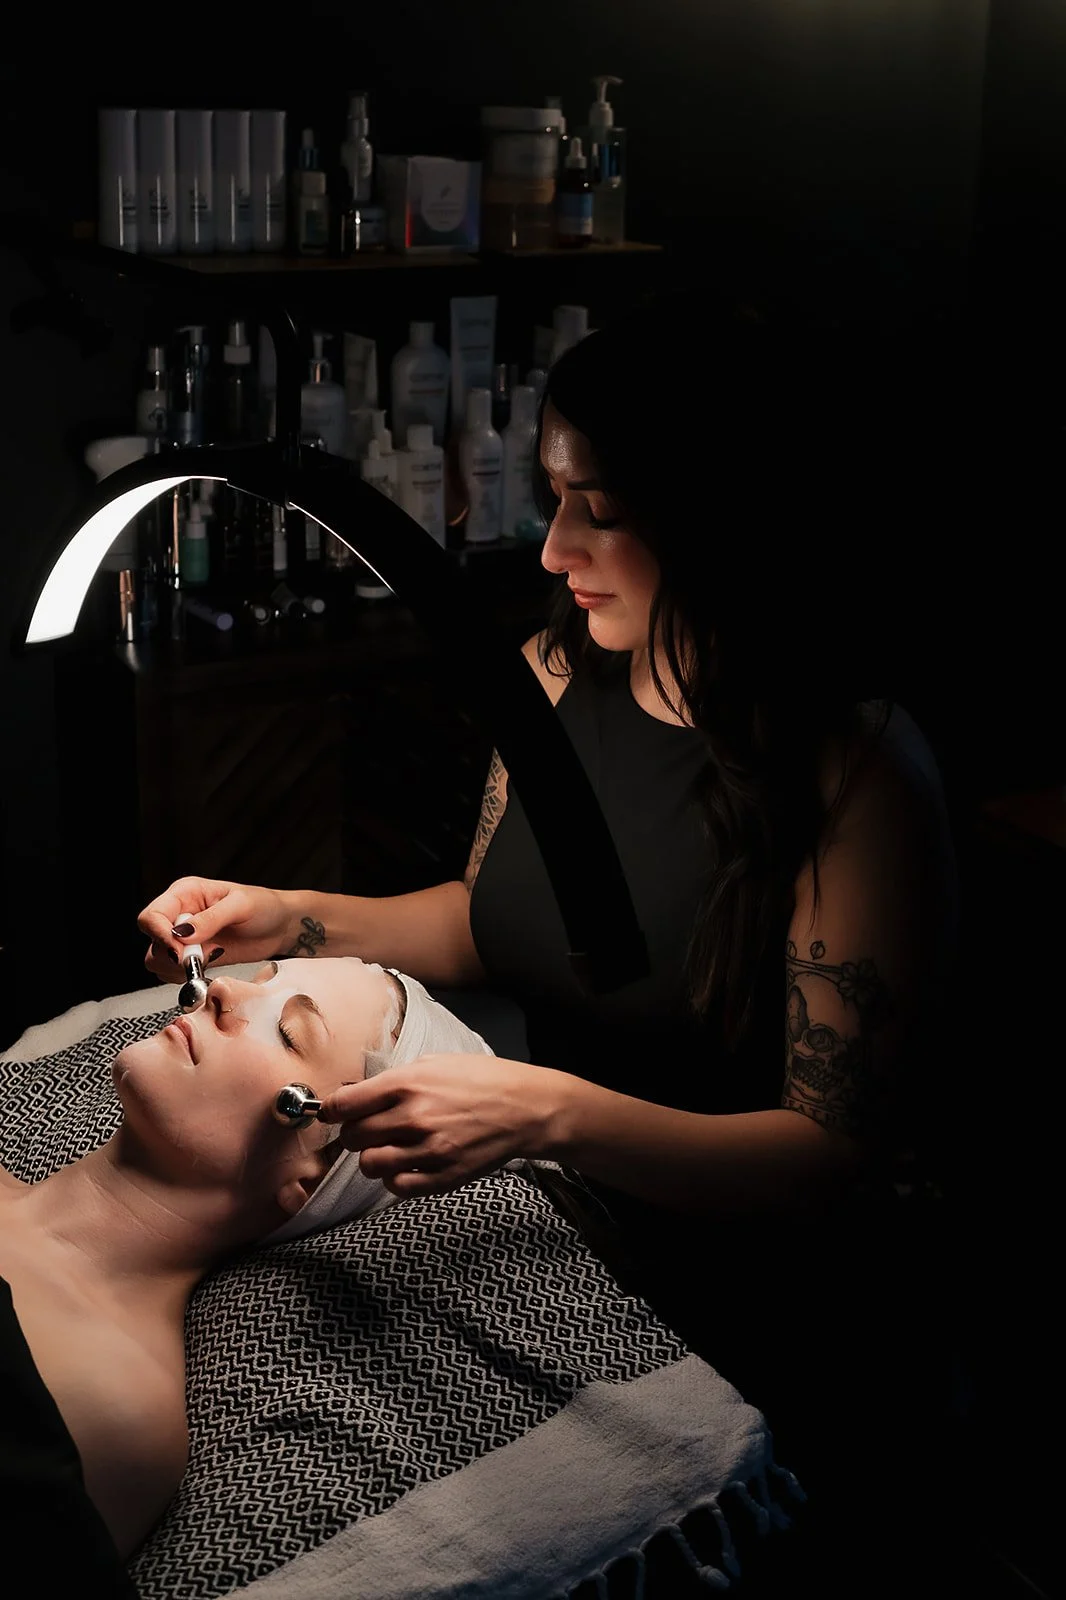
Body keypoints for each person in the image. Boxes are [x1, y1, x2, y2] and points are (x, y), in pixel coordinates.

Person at [139, 294, 961, 1589]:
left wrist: (544, 1114)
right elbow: (486, 919)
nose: (552, 546)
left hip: (759, 1296)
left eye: (600, 510)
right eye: (552, 497)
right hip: (568, 1223)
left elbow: (823, 1160)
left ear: (715, 519)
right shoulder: (554, 674)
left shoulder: (852, 772)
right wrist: (287, 914)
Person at [0, 956, 490, 1574]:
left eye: (291, 1034)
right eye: (259, 982)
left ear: (311, 1177)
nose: (224, 990)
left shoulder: (116, 1405)